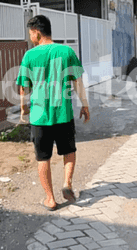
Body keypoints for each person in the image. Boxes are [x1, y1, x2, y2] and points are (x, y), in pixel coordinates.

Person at [16, 15, 90, 211]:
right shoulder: (66, 52)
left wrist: (24, 109)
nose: (30, 37)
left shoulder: (29, 56)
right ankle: (67, 183)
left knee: (43, 158)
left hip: (40, 117)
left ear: (37, 33)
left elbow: (24, 88)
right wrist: (85, 105)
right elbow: (77, 82)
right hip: (63, 114)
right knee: (69, 151)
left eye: (31, 34)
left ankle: (50, 199)